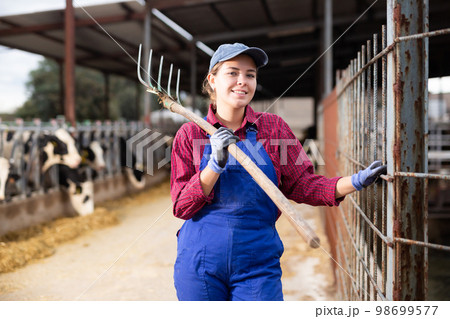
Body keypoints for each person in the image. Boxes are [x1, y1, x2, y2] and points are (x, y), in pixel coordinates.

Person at [170, 43, 386, 301]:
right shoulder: (190, 134)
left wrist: (354, 181)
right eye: (232, 72)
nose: (242, 81)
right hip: (200, 264)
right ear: (212, 80)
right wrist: (213, 167)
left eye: (250, 74)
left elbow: (304, 185)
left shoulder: (272, 128)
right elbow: (182, 206)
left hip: (257, 264)